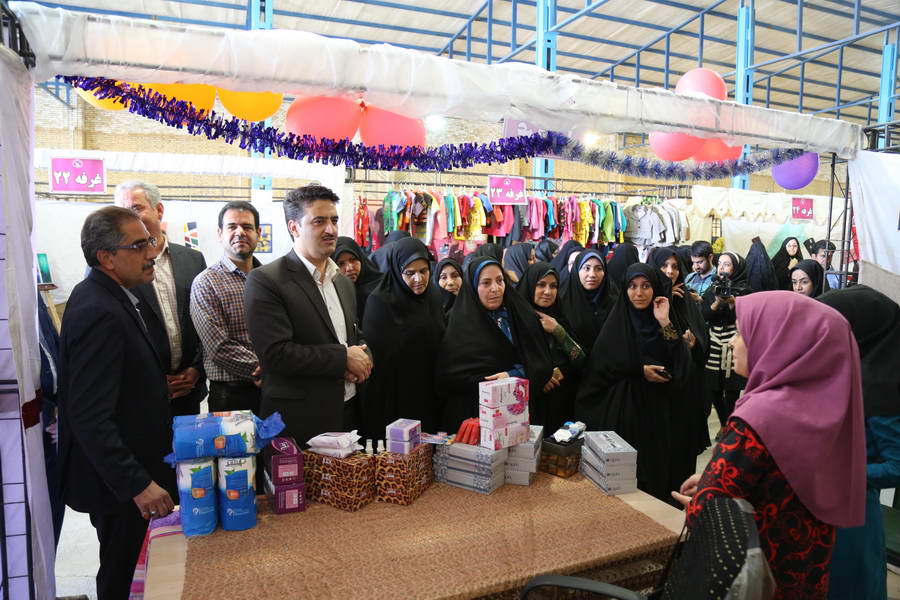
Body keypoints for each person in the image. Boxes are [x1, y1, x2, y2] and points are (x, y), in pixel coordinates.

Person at [673, 291, 866, 600]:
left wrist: (702, 498)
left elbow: (711, 506)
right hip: (806, 568)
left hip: (758, 575)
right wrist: (717, 474)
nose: (732, 342)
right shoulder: (828, 411)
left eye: (743, 333)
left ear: (778, 342)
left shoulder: (760, 416)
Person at [59, 207, 176, 600]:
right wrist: (138, 484)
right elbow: (89, 416)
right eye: (139, 246)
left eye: (150, 241)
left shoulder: (116, 294)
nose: (151, 253)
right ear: (107, 258)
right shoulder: (99, 311)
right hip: (120, 485)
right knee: (122, 571)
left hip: (133, 468)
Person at [245, 185, 373, 446]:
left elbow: (354, 336)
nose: (331, 229)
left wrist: (364, 359)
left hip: (348, 412)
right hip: (300, 422)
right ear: (294, 227)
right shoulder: (267, 280)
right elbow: (276, 354)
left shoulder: (342, 281)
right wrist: (343, 358)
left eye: (334, 220)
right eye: (319, 221)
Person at [576, 264, 691, 503]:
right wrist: (639, 371)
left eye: (646, 286)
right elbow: (599, 371)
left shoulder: (663, 323)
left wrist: (664, 320)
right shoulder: (616, 324)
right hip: (625, 415)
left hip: (658, 414)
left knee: (654, 479)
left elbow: (681, 363)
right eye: (632, 286)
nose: (638, 293)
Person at [820, 286, 900, 600]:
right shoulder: (858, 368)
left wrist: (842, 473)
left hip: (852, 514)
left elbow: (897, 466)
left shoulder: (880, 383)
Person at [114, 181, 207, 415]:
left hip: (188, 389)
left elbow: (205, 323)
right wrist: (150, 381)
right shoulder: (115, 265)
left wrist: (197, 369)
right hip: (140, 397)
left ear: (159, 210)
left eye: (136, 208)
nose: (128, 218)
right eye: (122, 212)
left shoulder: (193, 260)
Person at [435, 256, 554, 432]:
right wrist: (493, 383)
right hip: (474, 415)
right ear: (473, 286)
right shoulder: (457, 322)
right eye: (486, 283)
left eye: (500, 280)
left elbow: (541, 361)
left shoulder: (520, 314)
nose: (495, 288)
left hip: (518, 412)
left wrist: (513, 374)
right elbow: (450, 375)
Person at [361, 238, 445, 436]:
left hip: (429, 391)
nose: (419, 279)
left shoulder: (432, 296)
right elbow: (379, 360)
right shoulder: (380, 302)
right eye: (410, 273)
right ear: (397, 271)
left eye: (424, 271)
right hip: (394, 398)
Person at [190, 201, 263, 414]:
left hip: (275, 389)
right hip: (232, 396)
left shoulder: (270, 279)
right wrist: (266, 370)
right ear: (220, 234)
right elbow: (218, 346)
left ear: (258, 233)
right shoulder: (206, 282)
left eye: (247, 227)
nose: (240, 232)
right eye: (232, 227)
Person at [648, 248, 711, 492]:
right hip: (657, 394)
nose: (670, 271)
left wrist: (694, 345)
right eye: (664, 266)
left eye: (675, 266)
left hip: (685, 393)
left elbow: (702, 343)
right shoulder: (644, 300)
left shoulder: (685, 300)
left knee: (681, 459)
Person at [517, 262, 585, 430]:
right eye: (541, 285)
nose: (548, 291)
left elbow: (581, 360)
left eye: (553, 286)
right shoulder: (516, 321)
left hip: (560, 404)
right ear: (530, 285)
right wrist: (540, 376)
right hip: (526, 405)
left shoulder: (560, 318)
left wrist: (558, 331)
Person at [700, 252, 750, 433]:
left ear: (736, 268)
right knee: (713, 385)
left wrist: (732, 303)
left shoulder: (745, 289)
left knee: (732, 387)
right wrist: (715, 303)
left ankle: (730, 425)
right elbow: (703, 316)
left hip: (733, 340)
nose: (721, 268)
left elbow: (746, 317)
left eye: (727, 264)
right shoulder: (712, 288)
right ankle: (723, 423)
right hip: (714, 340)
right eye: (719, 263)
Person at [559, 249, 617, 354]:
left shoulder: (614, 304)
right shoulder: (562, 302)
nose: (592, 274)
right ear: (577, 270)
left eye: (598, 269)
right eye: (586, 268)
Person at [332, 236, 383, 322]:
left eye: (353, 260)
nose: (349, 268)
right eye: (341, 264)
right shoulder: (332, 295)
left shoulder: (381, 288)